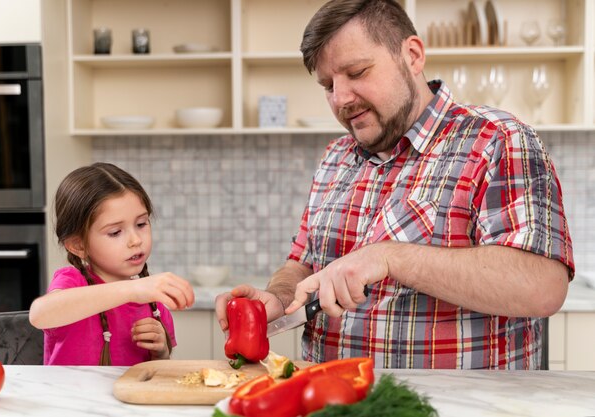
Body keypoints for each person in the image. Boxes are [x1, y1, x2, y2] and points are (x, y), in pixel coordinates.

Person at [216, 0, 574, 369]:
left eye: (356, 72)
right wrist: (278, 297)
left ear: (413, 55)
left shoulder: (497, 139)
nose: (340, 99)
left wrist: (389, 257)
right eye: (328, 85)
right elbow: (304, 264)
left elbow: (543, 287)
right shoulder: (335, 157)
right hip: (333, 400)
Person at [29, 162, 194, 365]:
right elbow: (39, 314)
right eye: (115, 232)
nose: (136, 240)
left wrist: (160, 354)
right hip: (71, 398)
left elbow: (156, 378)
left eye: (141, 224)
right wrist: (134, 289)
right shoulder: (72, 281)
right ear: (78, 245)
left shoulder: (154, 304)